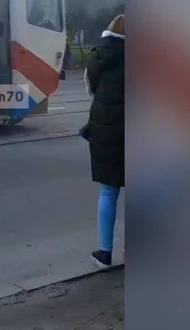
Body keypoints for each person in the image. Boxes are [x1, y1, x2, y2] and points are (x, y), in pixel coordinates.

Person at [85, 14, 125, 269]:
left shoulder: (97, 55)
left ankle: (105, 253)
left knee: (108, 190)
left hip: (104, 127)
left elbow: (92, 88)